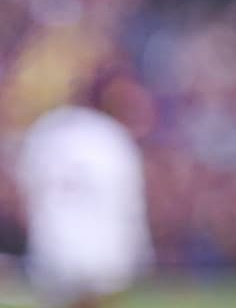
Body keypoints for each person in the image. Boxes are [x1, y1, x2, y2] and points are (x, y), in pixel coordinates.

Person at [16, 86, 149, 308]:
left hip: (56, 243)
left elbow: (26, 190)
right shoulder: (111, 136)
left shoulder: (47, 130)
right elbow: (128, 199)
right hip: (103, 243)